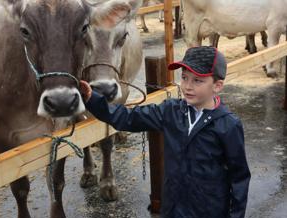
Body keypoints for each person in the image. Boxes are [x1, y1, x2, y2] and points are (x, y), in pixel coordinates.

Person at [79, 46, 251, 218]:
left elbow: (239, 177)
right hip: (172, 209)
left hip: (208, 211)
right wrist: (93, 100)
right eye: (184, 78)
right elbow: (128, 118)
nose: (188, 86)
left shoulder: (228, 125)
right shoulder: (171, 111)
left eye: (197, 80)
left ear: (217, 86)